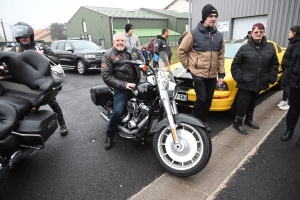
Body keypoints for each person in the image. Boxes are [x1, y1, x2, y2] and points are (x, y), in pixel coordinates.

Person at [11, 22, 69, 136]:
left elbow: (56, 60)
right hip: (25, 84)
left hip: (43, 82)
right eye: (20, 37)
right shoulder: (15, 49)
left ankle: (62, 125)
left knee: (53, 103)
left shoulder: (40, 47)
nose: (23, 39)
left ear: (31, 36)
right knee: (27, 108)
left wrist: (43, 55)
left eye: (25, 37)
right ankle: (28, 131)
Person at [178, 4, 225, 133]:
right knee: (202, 98)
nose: (213, 18)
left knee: (209, 99)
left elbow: (221, 56)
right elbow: (181, 51)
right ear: (205, 17)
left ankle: (202, 121)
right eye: (211, 16)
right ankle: (192, 122)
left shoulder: (219, 36)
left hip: (212, 74)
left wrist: (221, 74)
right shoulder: (193, 34)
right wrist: (189, 67)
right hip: (198, 73)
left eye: (215, 16)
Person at [231, 23, 279, 135]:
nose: (258, 34)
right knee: (243, 103)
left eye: (260, 32)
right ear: (252, 33)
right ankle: (237, 123)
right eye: (256, 32)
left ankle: (249, 120)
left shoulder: (270, 48)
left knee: (252, 101)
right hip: (246, 82)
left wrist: (271, 77)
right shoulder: (244, 48)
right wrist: (240, 78)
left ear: (264, 32)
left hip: (260, 82)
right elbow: (235, 65)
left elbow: (274, 64)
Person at [101, 33, 144, 150]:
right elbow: (106, 76)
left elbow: (143, 63)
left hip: (136, 83)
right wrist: (124, 85)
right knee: (118, 111)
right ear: (113, 42)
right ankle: (109, 135)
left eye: (122, 40)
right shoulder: (108, 55)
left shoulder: (133, 51)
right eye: (117, 40)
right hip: (120, 86)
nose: (120, 42)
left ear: (125, 42)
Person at [277, 26, 300, 111]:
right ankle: (284, 100)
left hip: (290, 69)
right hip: (286, 68)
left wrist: (290, 70)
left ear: (294, 33)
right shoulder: (293, 41)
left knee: (287, 85)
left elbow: (295, 59)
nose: (288, 33)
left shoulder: (297, 43)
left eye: (290, 32)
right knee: (284, 84)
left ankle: (290, 104)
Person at [281, 49, 300, 145]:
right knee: (293, 109)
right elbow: (293, 64)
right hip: (296, 83)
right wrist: (286, 80)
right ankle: (289, 131)